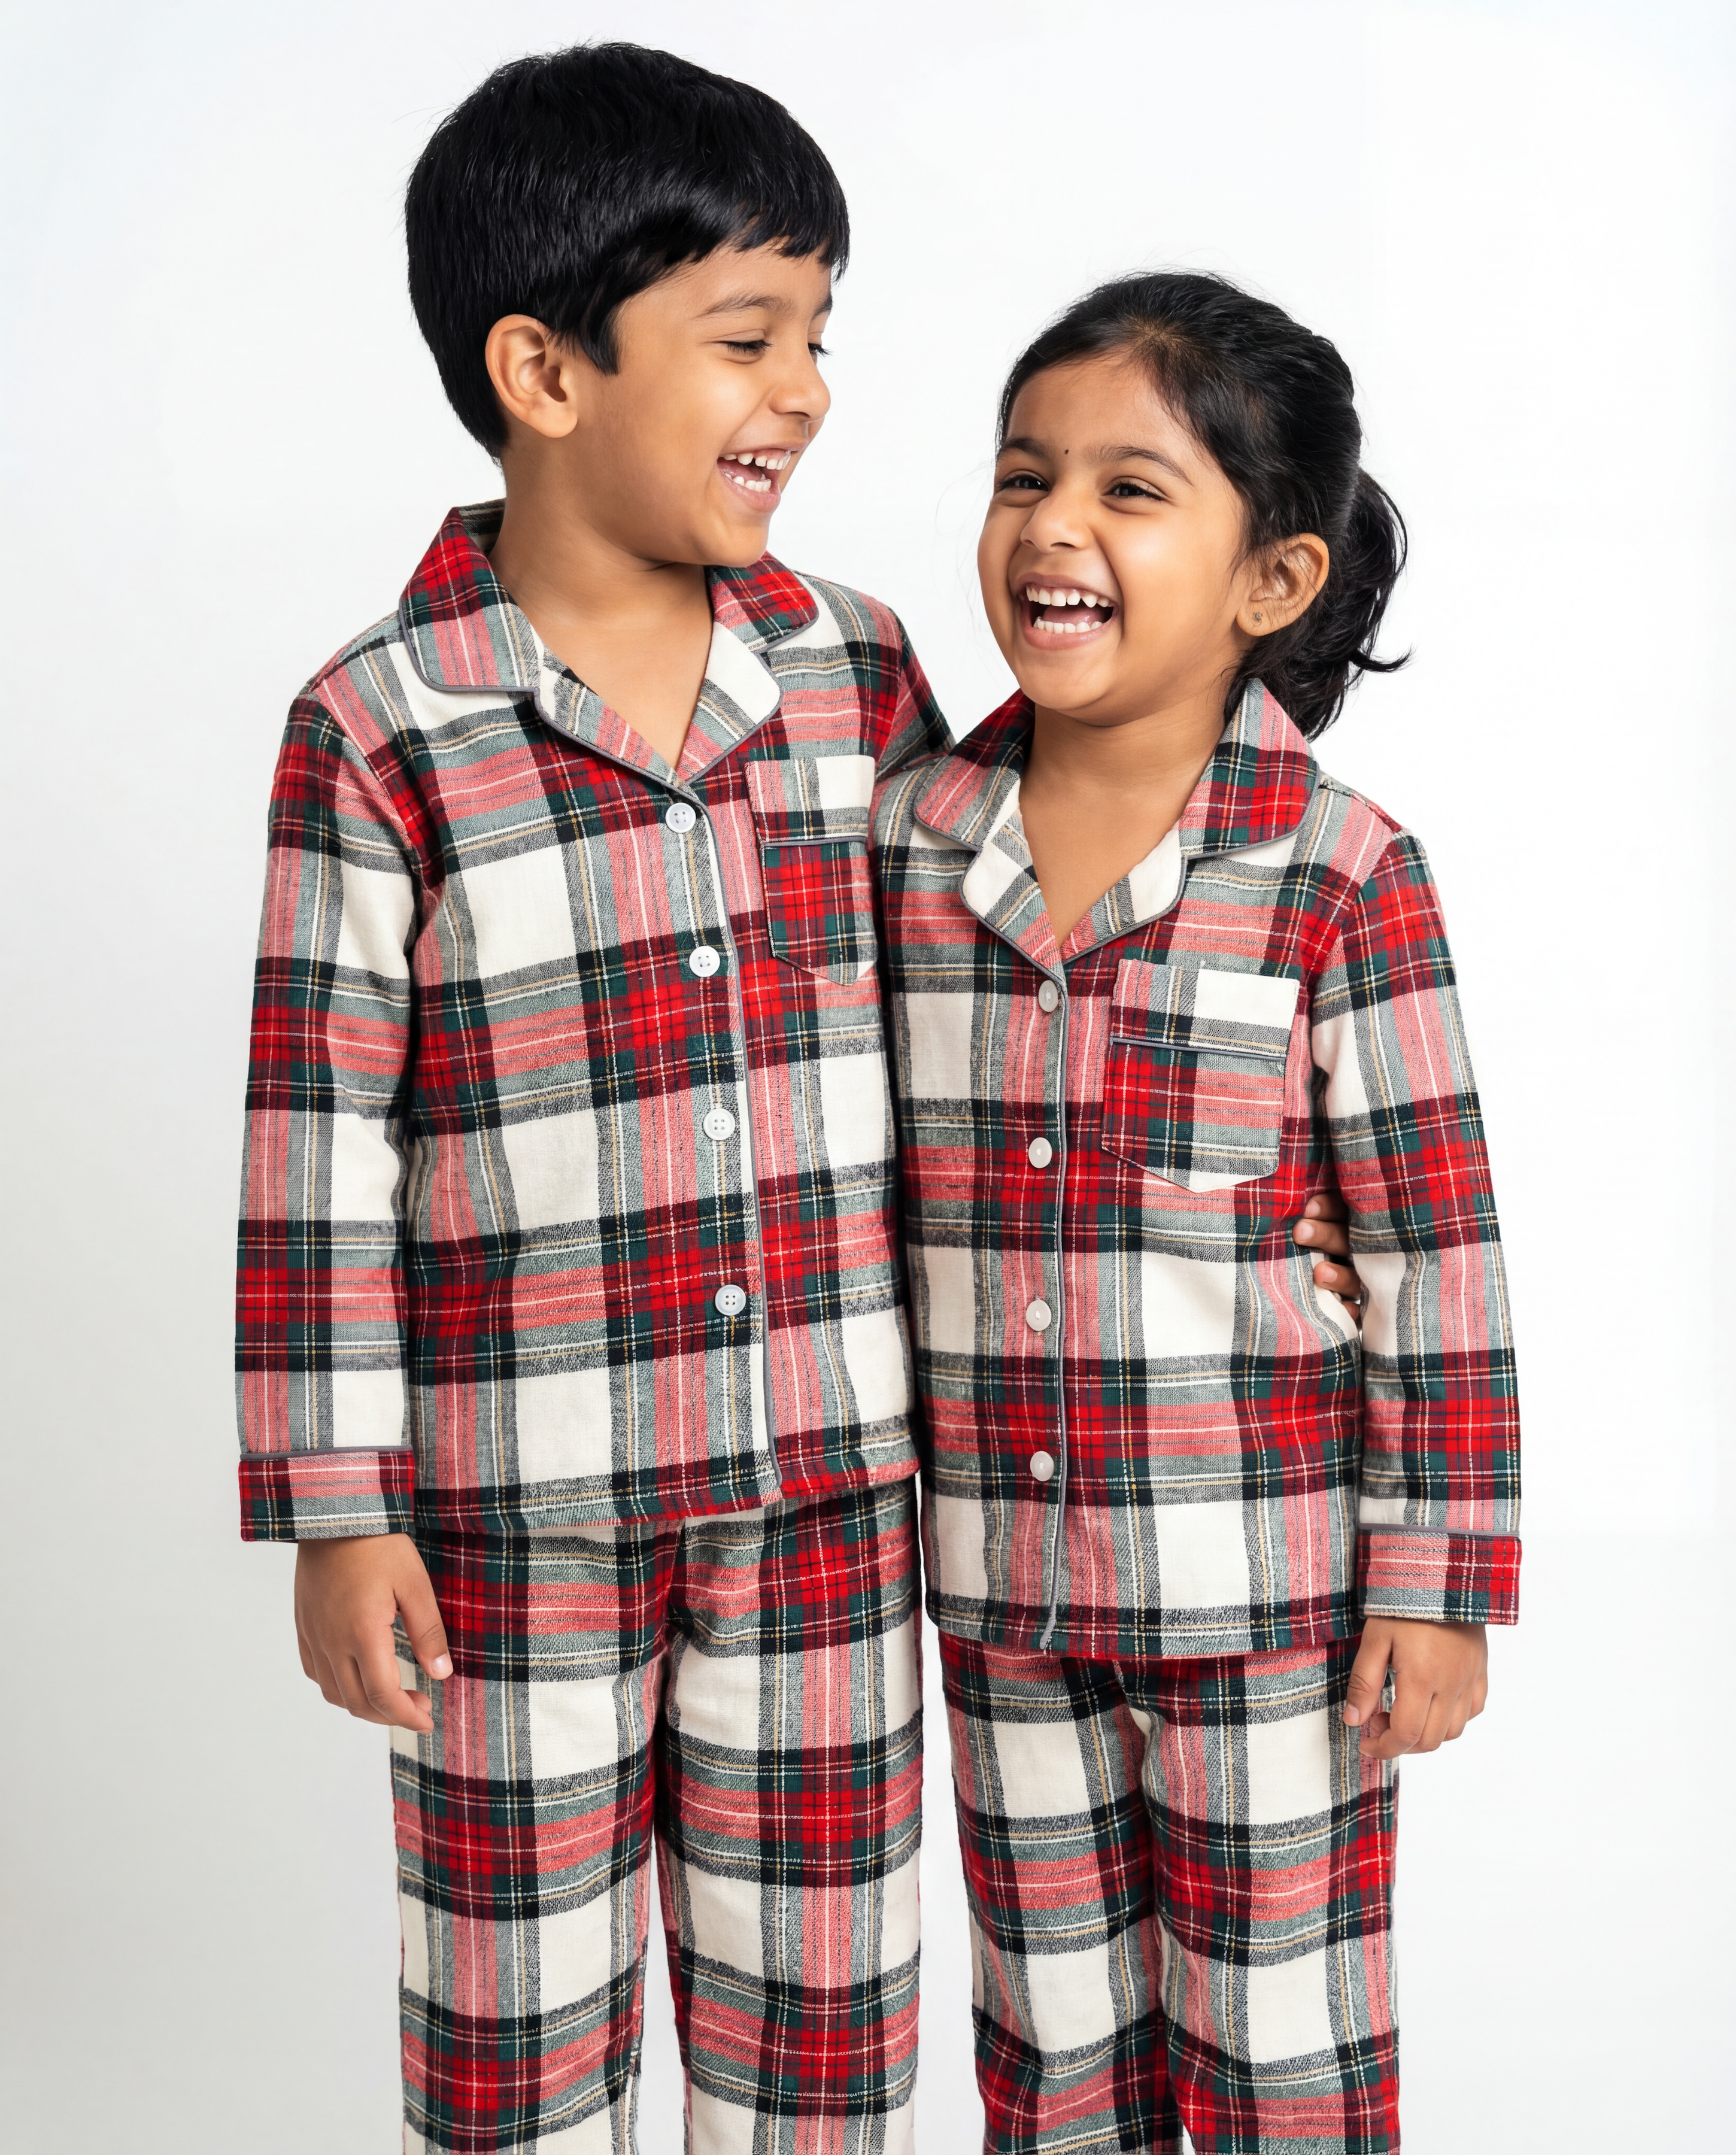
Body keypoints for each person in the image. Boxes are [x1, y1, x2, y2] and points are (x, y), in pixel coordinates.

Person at [235, 44, 1368, 2148]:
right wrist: (338, 1507)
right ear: (542, 371)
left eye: (820, 336)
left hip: (837, 1521)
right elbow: (316, 1151)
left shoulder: (854, 671)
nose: (811, 390)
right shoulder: (381, 729)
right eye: (748, 337)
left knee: (819, 2057)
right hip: (514, 1528)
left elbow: (1015, 945)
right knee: (514, 2060)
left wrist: (1230, 1193)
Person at [873, 272, 1519, 2153]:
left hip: (1270, 1606)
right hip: (1000, 1600)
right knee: (1054, 2065)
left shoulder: (1339, 874)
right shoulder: (905, 845)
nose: (1052, 527)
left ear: (1272, 582)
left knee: (1276, 2057)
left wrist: (1438, 1580)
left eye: (1130, 490)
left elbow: (1432, 1254)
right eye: (1020, 477)